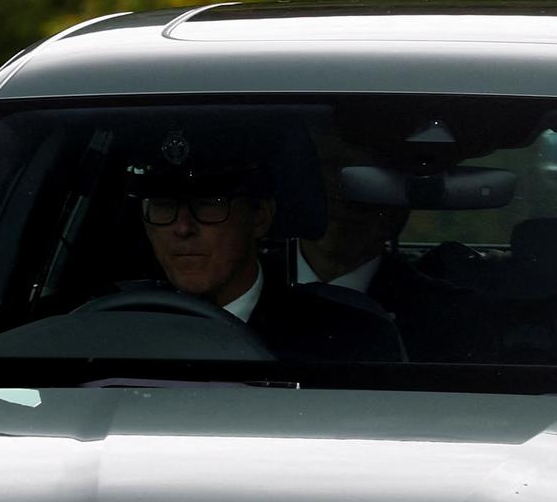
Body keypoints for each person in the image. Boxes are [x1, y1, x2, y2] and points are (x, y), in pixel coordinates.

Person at [131, 130, 404, 362]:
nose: (183, 228)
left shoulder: (349, 337)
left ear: (260, 217)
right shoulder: (119, 329)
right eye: (163, 207)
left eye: (210, 205)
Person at [290, 134, 494, 363]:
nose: (341, 196)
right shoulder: (246, 286)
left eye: (366, 177)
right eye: (329, 169)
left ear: (396, 210)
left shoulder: (452, 314)